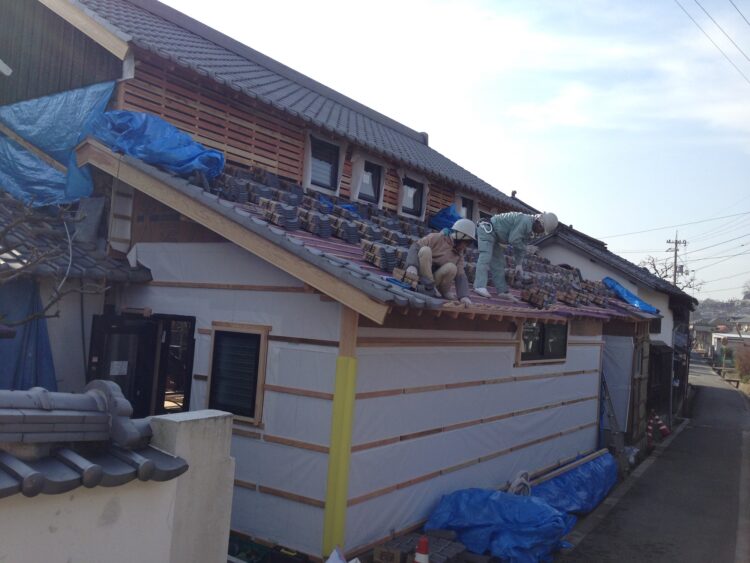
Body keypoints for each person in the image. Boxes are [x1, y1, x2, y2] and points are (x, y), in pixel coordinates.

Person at [473, 212, 558, 299]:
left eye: (542, 231)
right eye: (541, 229)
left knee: (499, 263)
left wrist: (519, 264)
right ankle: (479, 286)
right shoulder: (525, 221)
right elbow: (513, 239)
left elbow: (519, 248)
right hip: (487, 229)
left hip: (494, 236)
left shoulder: (530, 231)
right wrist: (526, 248)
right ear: (539, 221)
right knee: (486, 256)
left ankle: (502, 291)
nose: (539, 232)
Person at [405, 218, 476, 306]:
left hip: (436, 280)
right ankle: (430, 288)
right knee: (425, 250)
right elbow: (415, 247)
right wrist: (412, 266)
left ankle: (442, 291)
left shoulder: (459, 252)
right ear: (459, 237)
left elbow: (460, 274)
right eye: (466, 242)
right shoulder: (437, 237)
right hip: (422, 278)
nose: (466, 246)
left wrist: (464, 296)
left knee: (452, 267)